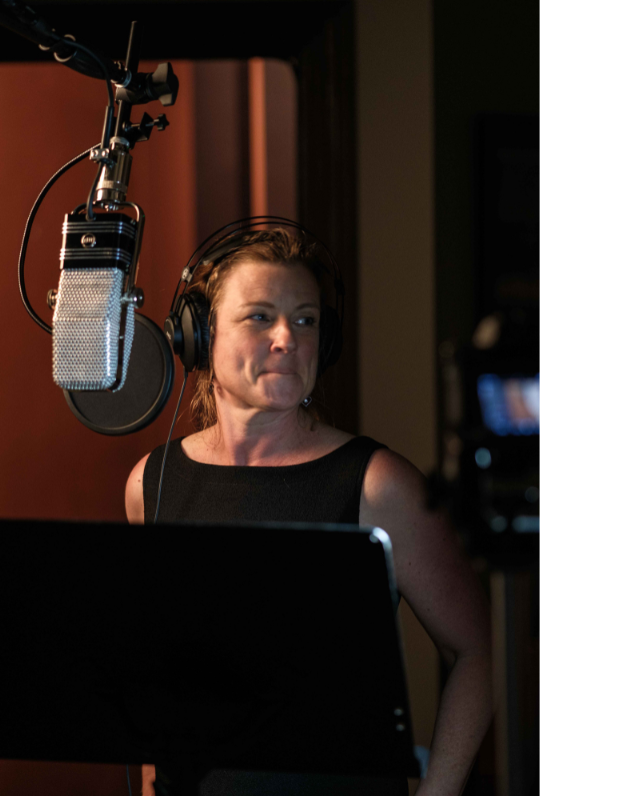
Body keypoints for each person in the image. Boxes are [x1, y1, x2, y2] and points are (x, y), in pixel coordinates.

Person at [125, 229, 492, 796]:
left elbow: (480, 651)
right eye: (259, 316)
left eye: (306, 320)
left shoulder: (378, 484)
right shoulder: (149, 483)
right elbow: (158, 676)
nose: (287, 338)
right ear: (200, 335)